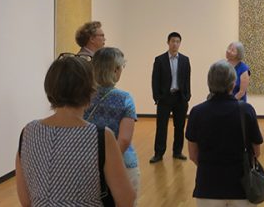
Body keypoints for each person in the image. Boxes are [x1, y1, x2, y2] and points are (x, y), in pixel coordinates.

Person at [16, 54, 135, 207]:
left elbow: (26, 200)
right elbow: (126, 198)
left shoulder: (28, 132)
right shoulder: (101, 136)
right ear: (91, 91)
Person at [186, 60, 263, 207]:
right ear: (233, 83)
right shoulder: (246, 110)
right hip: (242, 188)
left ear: (209, 83)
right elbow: (256, 152)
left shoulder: (197, 112)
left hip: (207, 186)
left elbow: (193, 155)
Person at [84, 47, 140, 203]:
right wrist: (107, 164)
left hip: (87, 164)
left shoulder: (83, 96)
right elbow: (123, 140)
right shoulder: (125, 98)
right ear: (115, 70)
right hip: (122, 164)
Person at [150, 32, 191, 163]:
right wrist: (157, 97)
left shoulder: (185, 60)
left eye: (177, 41)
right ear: (168, 42)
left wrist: (187, 96)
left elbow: (187, 79)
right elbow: (155, 80)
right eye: (173, 41)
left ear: (180, 43)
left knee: (179, 127)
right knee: (161, 127)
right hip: (165, 98)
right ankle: (158, 153)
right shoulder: (159, 60)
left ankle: (177, 152)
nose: (175, 44)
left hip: (180, 98)